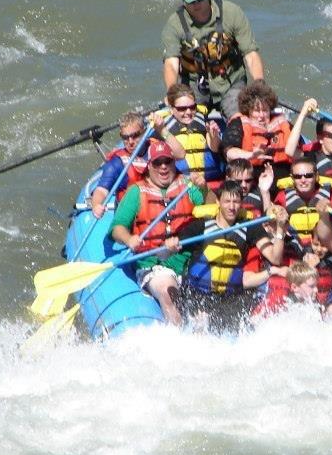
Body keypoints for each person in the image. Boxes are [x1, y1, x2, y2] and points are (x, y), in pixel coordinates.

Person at [109, 140, 208, 326]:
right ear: (149, 165)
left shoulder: (187, 185)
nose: (163, 167)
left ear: (174, 163)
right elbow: (117, 228)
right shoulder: (136, 192)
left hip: (186, 257)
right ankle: (179, 339)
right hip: (154, 262)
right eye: (157, 163)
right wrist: (129, 238)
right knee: (166, 291)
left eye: (167, 162)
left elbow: (211, 207)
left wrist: (204, 187)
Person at [168, 181, 289, 331]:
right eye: (227, 201)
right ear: (218, 201)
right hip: (198, 296)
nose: (232, 207)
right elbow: (166, 253)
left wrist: (280, 228)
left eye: (236, 202)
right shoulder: (200, 227)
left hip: (229, 299)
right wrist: (170, 246)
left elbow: (275, 258)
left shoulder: (250, 228)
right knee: (201, 327)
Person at [161, 0, 265, 118]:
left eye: (200, 0)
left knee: (238, 122)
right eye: (192, 2)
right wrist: (172, 94)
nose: (197, 5)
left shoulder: (232, 13)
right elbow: (171, 63)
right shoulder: (174, 25)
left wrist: (259, 85)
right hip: (193, 87)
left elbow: (250, 54)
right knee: (190, 125)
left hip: (231, 83)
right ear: (183, 1)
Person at [89, 112, 185, 219]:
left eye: (135, 136)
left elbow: (180, 154)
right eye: (125, 137)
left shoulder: (157, 148)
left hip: (160, 213)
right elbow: (101, 190)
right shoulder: (117, 163)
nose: (130, 142)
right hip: (134, 220)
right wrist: (97, 205)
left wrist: (162, 129)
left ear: (144, 132)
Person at [223, 81, 302, 182]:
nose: (261, 115)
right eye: (256, 110)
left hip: (284, 180)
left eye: (265, 110)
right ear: (248, 110)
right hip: (253, 181)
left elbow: (299, 153)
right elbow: (229, 152)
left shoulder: (284, 124)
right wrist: (251, 155)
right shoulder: (238, 124)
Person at [157, 84, 224, 184]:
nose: (188, 112)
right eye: (182, 109)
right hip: (183, 185)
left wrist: (214, 136)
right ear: (171, 109)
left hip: (211, 181)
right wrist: (162, 130)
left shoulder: (203, 121)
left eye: (192, 107)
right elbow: (178, 155)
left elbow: (214, 148)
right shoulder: (162, 127)